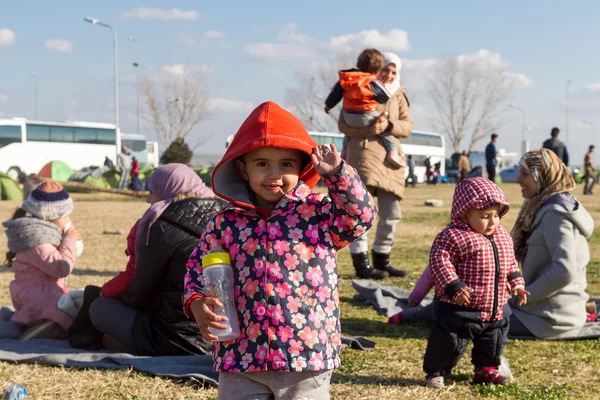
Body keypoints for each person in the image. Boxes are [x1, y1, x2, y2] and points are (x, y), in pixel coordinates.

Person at [184, 101, 376, 400]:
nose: (274, 175)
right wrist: (196, 302)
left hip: (305, 356)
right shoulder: (224, 224)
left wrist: (338, 175)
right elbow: (198, 268)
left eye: (286, 164)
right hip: (240, 357)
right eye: (262, 163)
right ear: (243, 169)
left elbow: (360, 217)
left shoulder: (318, 213)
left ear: (301, 168)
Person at [88, 164, 221, 356]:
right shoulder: (228, 217)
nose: (149, 199)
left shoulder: (162, 225)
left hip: (176, 339)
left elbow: (138, 297)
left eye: (152, 191)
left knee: (98, 308)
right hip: (224, 337)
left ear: (169, 190)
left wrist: (109, 295)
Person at [422, 177, 528, 388]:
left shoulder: (503, 236)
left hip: (495, 307)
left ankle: (486, 369)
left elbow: (510, 263)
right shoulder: (453, 237)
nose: (492, 222)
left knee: (494, 340)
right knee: (448, 341)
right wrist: (453, 286)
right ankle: (436, 371)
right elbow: (440, 261)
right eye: (484, 216)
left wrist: (517, 283)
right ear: (464, 214)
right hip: (460, 308)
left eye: (496, 215)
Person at [339, 51, 414, 280]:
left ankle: (383, 259)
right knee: (361, 213)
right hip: (363, 159)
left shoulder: (399, 94)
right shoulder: (357, 88)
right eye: (385, 70)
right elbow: (344, 124)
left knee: (391, 213)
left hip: (391, 163)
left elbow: (407, 126)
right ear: (376, 69)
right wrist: (370, 129)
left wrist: (389, 124)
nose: (389, 75)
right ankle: (361, 263)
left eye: (393, 71)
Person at [510, 148, 594, 339]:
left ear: (543, 176)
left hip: (550, 318)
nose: (518, 180)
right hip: (543, 312)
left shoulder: (555, 214)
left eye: (525, 174)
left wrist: (523, 297)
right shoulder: (540, 206)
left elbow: (564, 270)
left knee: (465, 316)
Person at [1, 181, 83, 339]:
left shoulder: (40, 236)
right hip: (40, 300)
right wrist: (69, 240)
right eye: (65, 216)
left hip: (34, 295)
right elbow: (61, 267)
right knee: (62, 322)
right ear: (51, 217)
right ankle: (30, 333)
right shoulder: (38, 242)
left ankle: (15, 322)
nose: (68, 220)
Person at [324, 49, 402, 168]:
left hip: (348, 116)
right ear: (378, 68)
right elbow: (384, 97)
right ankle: (392, 151)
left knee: (348, 133)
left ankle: (344, 150)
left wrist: (328, 106)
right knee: (385, 132)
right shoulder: (372, 81)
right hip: (366, 116)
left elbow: (335, 95)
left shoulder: (347, 78)